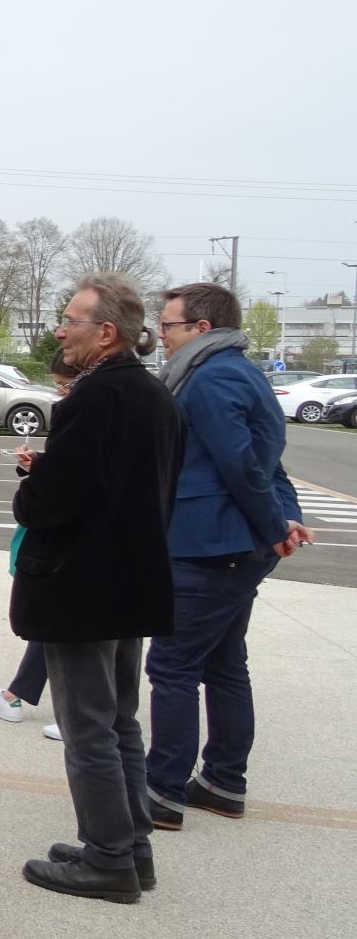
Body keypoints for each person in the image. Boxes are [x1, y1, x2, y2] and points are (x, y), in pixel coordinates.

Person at [13, 273, 182, 904]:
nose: (61, 330)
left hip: (82, 587)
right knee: (119, 723)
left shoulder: (93, 400)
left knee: (87, 729)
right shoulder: (156, 397)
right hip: (130, 584)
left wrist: (33, 484)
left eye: (71, 320)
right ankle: (130, 846)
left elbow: (55, 501)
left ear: (106, 332)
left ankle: (109, 860)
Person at [145, 282, 312, 830]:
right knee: (223, 664)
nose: (161, 336)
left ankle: (163, 794)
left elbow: (243, 465)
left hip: (210, 547)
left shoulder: (212, 378)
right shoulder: (237, 373)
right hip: (231, 545)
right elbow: (269, 462)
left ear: (201, 329)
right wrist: (283, 520)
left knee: (172, 667)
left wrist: (274, 528)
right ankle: (222, 782)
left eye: (168, 325)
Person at [0, 350, 83, 744]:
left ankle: (76, 714)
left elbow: (74, 481)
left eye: (64, 386)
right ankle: (20, 696)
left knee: (67, 625)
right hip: (80, 543)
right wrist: (37, 465)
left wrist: (36, 482)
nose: (60, 395)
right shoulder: (98, 410)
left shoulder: (88, 413)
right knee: (63, 624)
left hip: (71, 543)